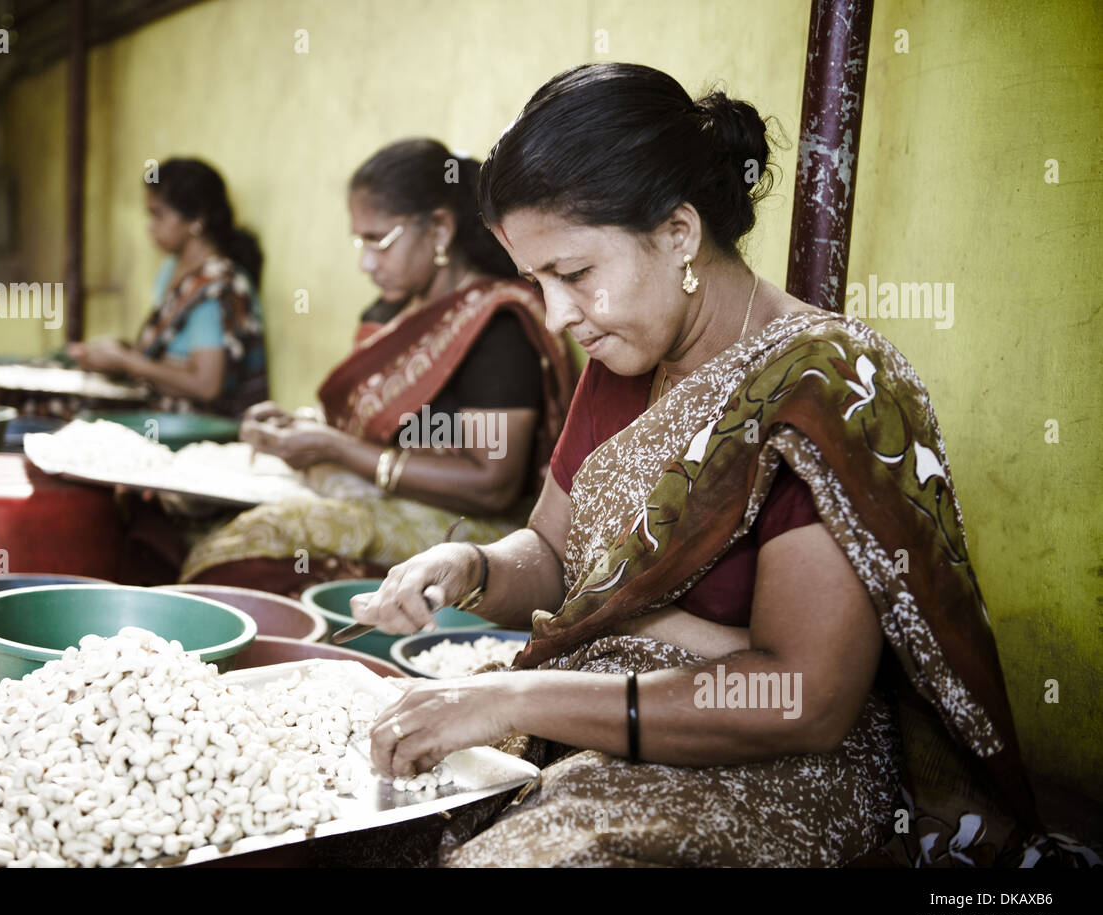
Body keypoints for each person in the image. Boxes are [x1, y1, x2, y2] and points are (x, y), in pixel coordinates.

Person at [347, 63, 1070, 868]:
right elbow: (552, 556)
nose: (557, 314)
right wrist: (473, 564)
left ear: (680, 232)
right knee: (368, 808)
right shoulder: (620, 359)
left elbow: (798, 695)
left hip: (775, 767)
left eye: (575, 274)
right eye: (535, 281)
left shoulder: (823, 389)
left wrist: (514, 695)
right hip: (584, 708)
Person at [175, 139, 576, 594]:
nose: (366, 263)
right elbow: (371, 427)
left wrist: (336, 449)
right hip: (372, 492)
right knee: (180, 501)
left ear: (440, 229)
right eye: (359, 240)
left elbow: (491, 485)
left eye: (378, 241)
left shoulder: (496, 325)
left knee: (251, 547)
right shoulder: (389, 315)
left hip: (470, 529)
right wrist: (300, 428)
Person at [68, 158, 267, 417]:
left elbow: (206, 386)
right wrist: (117, 354)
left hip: (199, 421)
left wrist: (128, 362)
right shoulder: (171, 271)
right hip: (163, 403)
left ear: (197, 219)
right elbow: (168, 358)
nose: (150, 227)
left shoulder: (219, 288)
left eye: (158, 214)